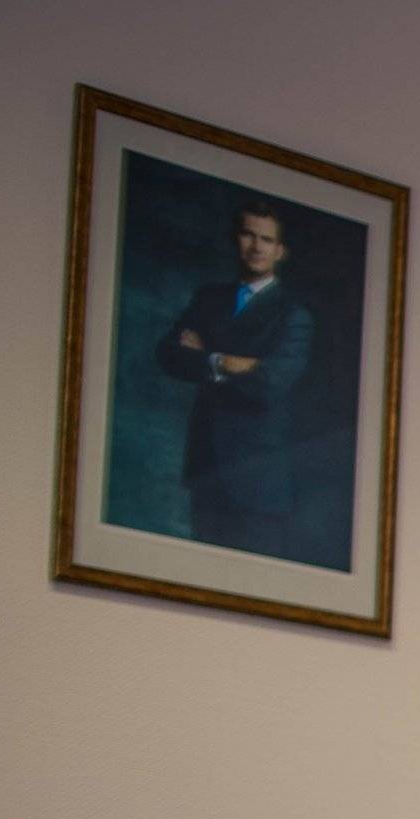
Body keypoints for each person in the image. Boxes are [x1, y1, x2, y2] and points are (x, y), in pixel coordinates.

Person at [156, 198, 315, 557]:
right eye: (248, 235)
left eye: (266, 239)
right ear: (236, 239)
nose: (256, 246)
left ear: (280, 251)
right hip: (206, 468)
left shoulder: (293, 315)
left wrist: (206, 355)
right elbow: (168, 355)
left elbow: (271, 383)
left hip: (258, 480)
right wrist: (229, 363)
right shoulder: (209, 298)